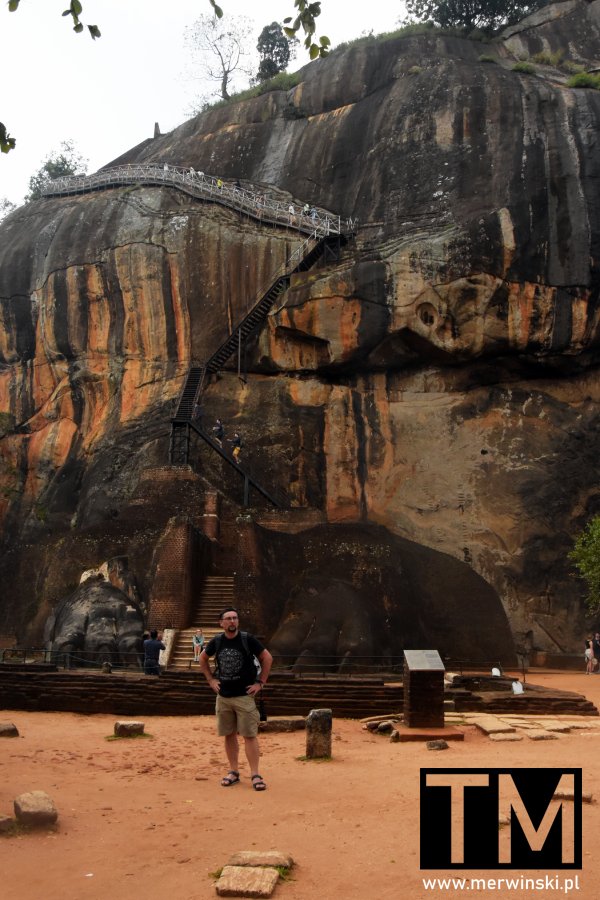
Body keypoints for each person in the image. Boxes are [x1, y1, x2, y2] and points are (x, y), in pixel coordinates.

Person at [199, 607, 272, 791]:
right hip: (223, 696)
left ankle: (255, 774)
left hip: (244, 696)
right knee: (229, 734)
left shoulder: (247, 639)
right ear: (221, 623)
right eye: (228, 618)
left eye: (235, 618)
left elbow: (267, 658)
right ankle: (233, 771)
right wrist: (211, 680)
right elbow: (203, 658)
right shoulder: (217, 641)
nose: (232, 621)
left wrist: (260, 682)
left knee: (249, 735)